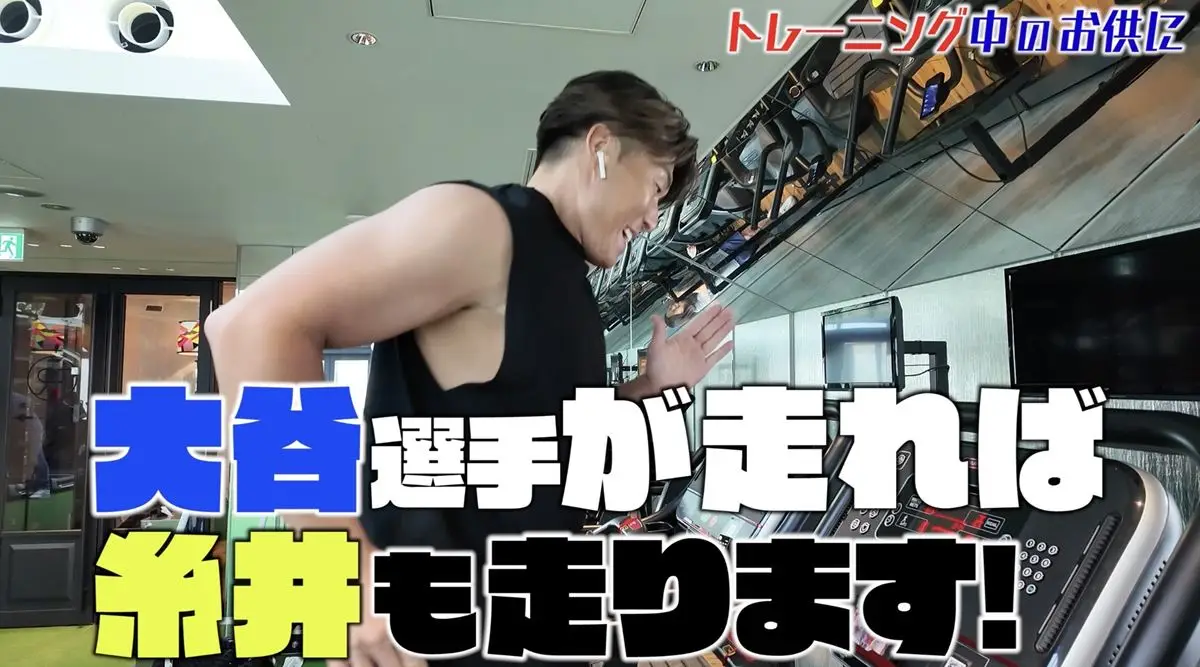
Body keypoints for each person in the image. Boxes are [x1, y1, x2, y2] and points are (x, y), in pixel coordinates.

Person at [205, 70, 736, 667]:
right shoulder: (484, 225)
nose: (653, 218)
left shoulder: (563, 281)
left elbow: (536, 432)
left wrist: (650, 387)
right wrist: (341, 565)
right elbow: (250, 327)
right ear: (601, 147)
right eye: (656, 188)